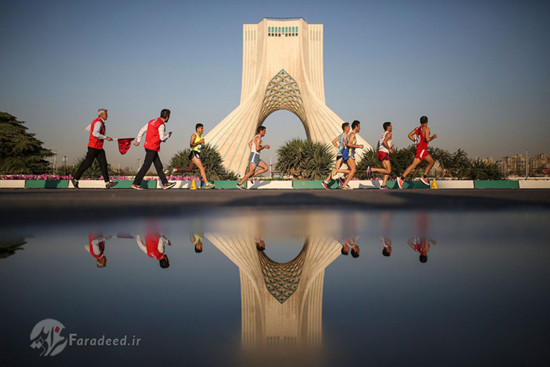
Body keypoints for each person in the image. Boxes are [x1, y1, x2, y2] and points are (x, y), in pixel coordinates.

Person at [71, 109, 118, 189]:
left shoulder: (97, 122)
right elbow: (95, 133)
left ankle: (107, 183)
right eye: (106, 114)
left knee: (103, 164)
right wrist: (105, 137)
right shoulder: (99, 122)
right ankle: (75, 179)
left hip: (99, 147)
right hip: (94, 147)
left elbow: (87, 129)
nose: (107, 115)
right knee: (87, 163)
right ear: (102, 115)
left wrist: (98, 135)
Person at [132, 109, 176, 190]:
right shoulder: (161, 124)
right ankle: (136, 183)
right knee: (146, 165)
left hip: (148, 146)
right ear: (167, 117)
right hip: (152, 147)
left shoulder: (152, 121)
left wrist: (138, 140)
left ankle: (165, 183)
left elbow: (142, 130)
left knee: (158, 166)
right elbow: (162, 138)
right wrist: (168, 135)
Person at [397, 116, 437, 189]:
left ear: (420, 122)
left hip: (422, 149)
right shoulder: (426, 129)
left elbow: (409, 135)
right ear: (427, 121)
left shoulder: (417, 129)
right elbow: (427, 139)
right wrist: (433, 137)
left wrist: (416, 141)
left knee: (431, 162)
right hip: (421, 149)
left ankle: (424, 176)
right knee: (414, 165)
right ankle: (401, 178)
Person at [173, 123, 215, 189]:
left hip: (198, 153)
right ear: (197, 129)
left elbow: (202, 147)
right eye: (201, 128)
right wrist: (199, 142)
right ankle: (206, 184)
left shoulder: (202, 137)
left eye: (203, 128)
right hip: (194, 154)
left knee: (189, 169)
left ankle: (176, 169)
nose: (203, 130)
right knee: (202, 168)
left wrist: (203, 145)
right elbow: (191, 144)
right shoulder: (194, 135)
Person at [236, 126, 270, 190]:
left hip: (256, 156)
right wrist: (264, 146)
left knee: (266, 168)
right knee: (250, 172)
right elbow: (257, 149)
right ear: (261, 131)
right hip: (254, 156)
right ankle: (239, 183)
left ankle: (252, 176)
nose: (265, 132)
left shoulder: (256, 137)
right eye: (264, 131)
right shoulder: (258, 138)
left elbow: (250, 143)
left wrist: (253, 149)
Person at [322, 122, 351, 190]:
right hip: (343, 154)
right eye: (349, 127)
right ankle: (342, 178)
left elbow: (333, 141)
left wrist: (338, 147)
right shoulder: (346, 135)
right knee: (351, 168)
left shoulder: (340, 135)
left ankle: (326, 181)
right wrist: (347, 149)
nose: (350, 128)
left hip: (339, 154)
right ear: (346, 128)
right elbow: (344, 143)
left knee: (338, 169)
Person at [368, 122, 394, 189]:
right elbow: (385, 142)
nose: (392, 127)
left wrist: (388, 146)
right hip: (384, 153)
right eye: (391, 126)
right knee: (389, 170)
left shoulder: (382, 134)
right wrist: (389, 149)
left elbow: (378, 144)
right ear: (388, 127)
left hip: (381, 152)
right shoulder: (389, 134)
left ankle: (383, 185)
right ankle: (372, 169)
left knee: (386, 170)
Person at [340, 120, 363, 190]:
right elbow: (348, 144)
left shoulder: (351, 134)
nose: (360, 128)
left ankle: (342, 177)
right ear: (356, 127)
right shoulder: (352, 134)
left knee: (350, 169)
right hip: (348, 154)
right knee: (353, 170)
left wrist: (353, 150)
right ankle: (344, 184)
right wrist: (359, 146)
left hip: (349, 153)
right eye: (359, 126)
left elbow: (345, 143)